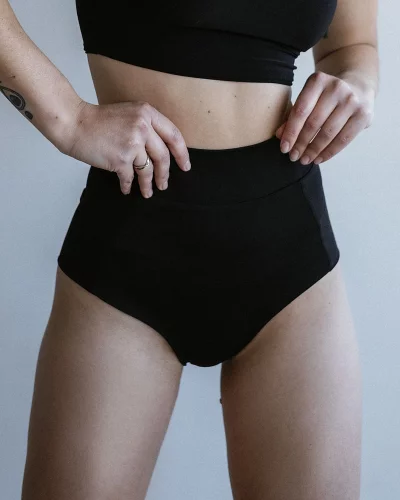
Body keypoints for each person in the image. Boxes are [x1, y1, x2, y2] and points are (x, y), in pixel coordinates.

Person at [0, 0, 378, 498]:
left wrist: (358, 83)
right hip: (127, 257)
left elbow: (352, 46)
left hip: (293, 263)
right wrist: (69, 120)